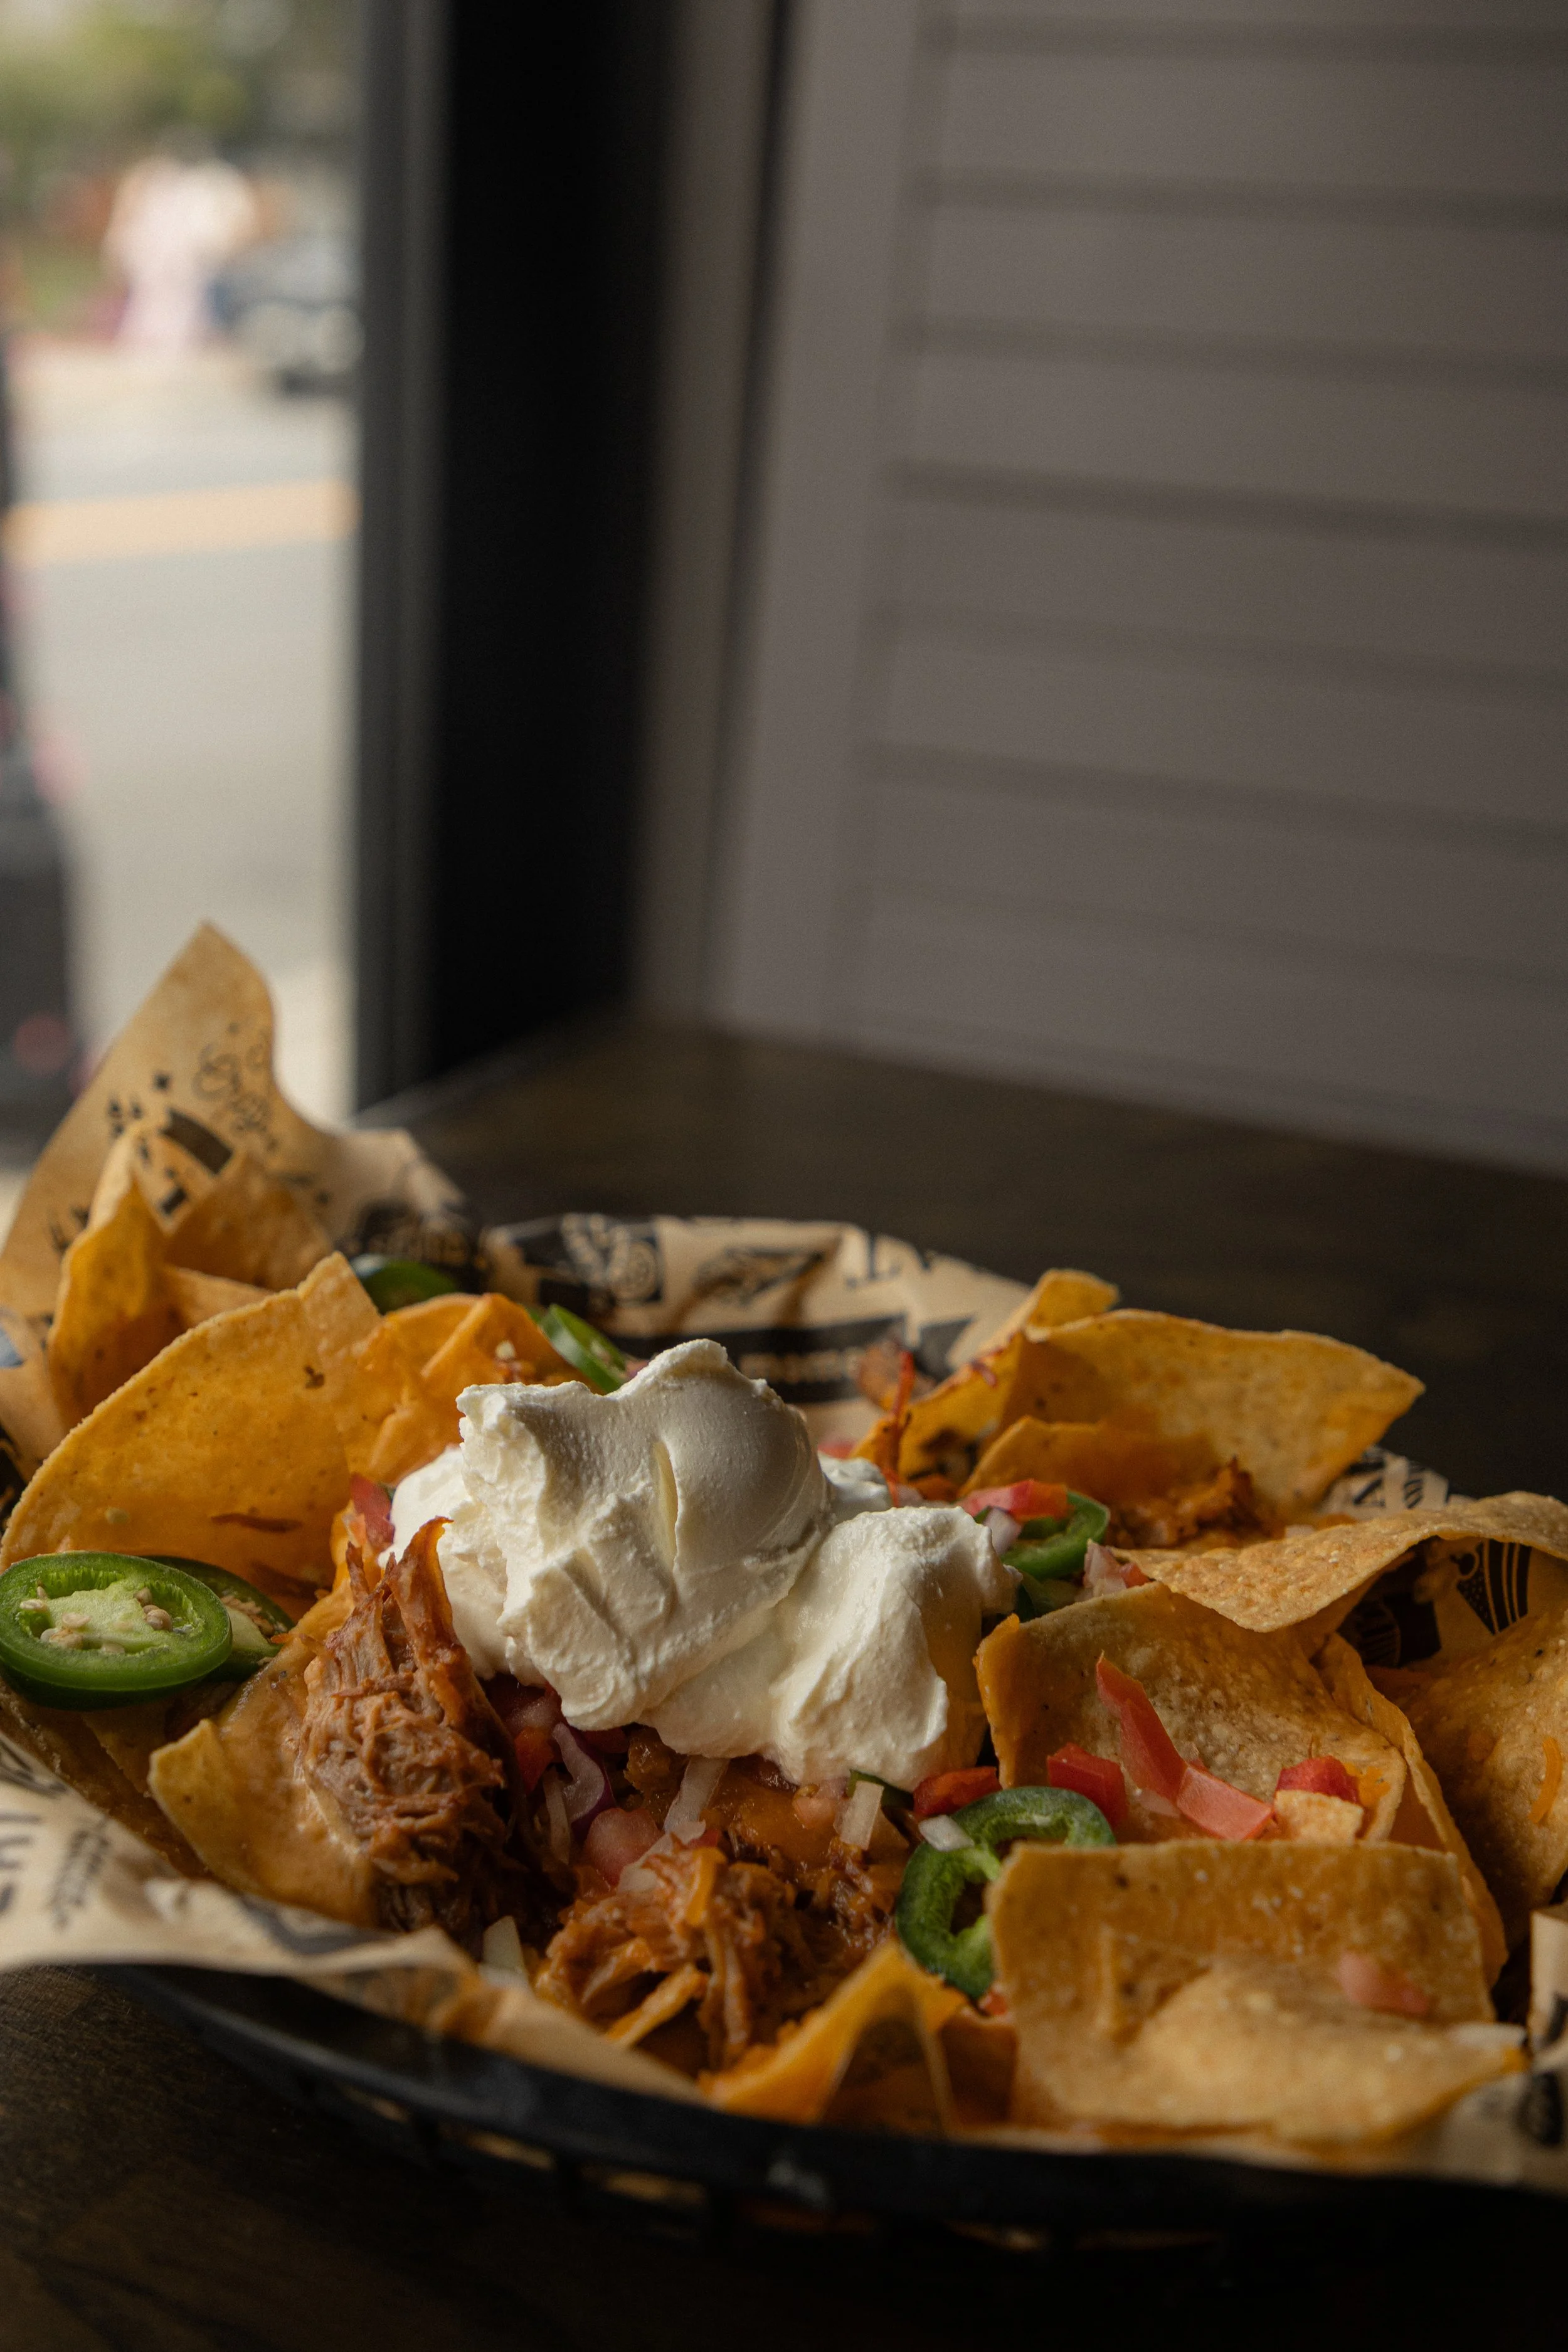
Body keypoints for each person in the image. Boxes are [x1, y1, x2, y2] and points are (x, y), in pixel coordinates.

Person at [103, 153, 259, 353]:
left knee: (182, 311)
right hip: (162, 266)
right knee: (154, 311)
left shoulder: (203, 188)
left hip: (185, 267)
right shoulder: (161, 189)